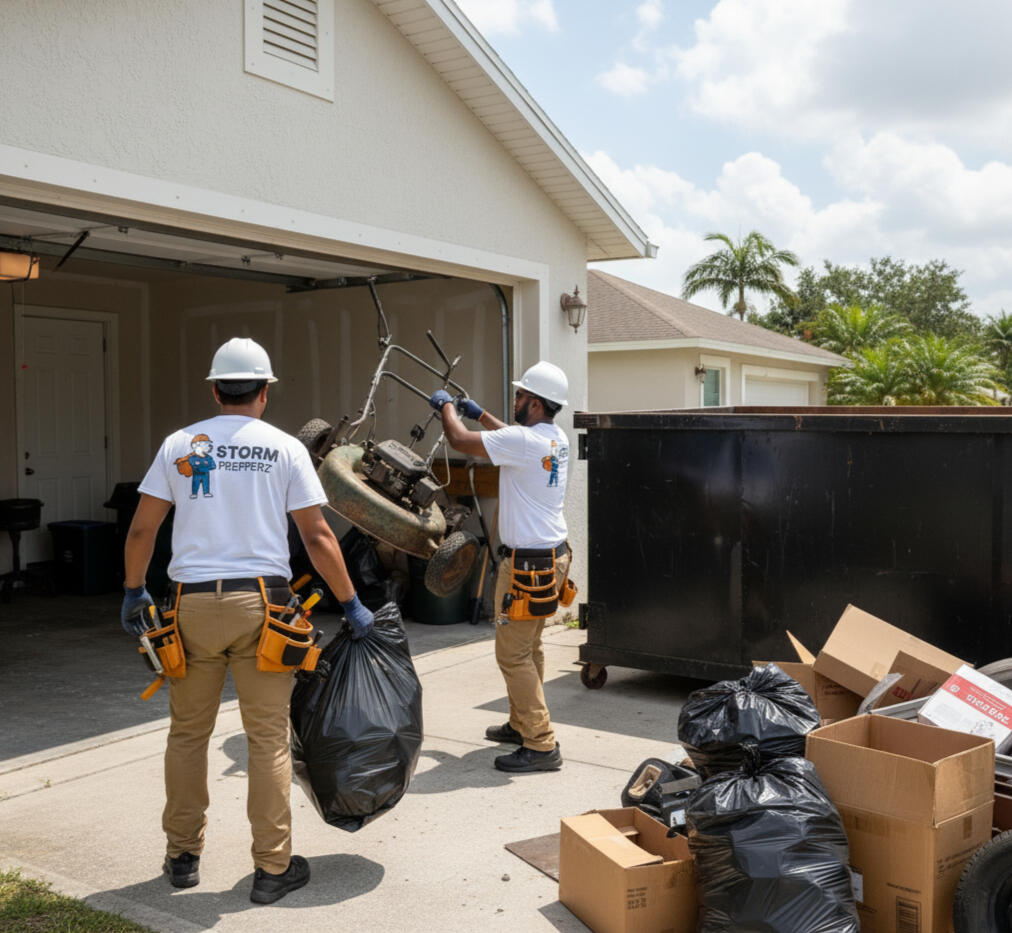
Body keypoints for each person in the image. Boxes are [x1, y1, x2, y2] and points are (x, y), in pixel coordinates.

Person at [121, 337, 375, 905]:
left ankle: (182, 856)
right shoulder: (284, 449)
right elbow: (317, 535)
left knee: (188, 735)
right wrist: (351, 603)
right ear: (264, 393)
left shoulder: (179, 444)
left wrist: (135, 590)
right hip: (264, 610)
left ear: (215, 390)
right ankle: (272, 868)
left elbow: (142, 529)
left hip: (190, 607)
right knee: (267, 741)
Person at [429, 361, 571, 774]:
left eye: (521, 395)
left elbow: (458, 439)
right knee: (530, 648)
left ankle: (541, 744)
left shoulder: (524, 442)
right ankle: (520, 723)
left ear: (536, 403)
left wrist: (447, 408)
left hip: (527, 568)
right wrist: (481, 414)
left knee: (512, 655)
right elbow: (510, 437)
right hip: (552, 559)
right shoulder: (555, 437)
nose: (515, 399)